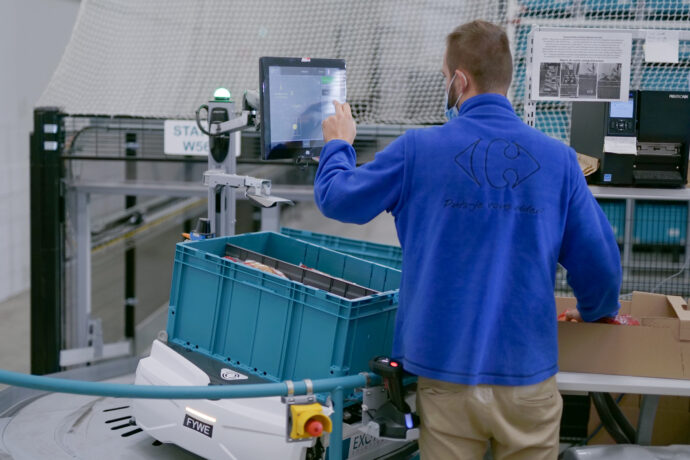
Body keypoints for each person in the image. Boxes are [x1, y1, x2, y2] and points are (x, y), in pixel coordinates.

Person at [314, 20, 622, 460]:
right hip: (527, 376)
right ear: (506, 77)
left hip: (445, 374)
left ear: (459, 80)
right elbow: (600, 265)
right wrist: (596, 311)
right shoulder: (559, 161)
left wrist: (338, 145)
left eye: (445, 77)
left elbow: (337, 199)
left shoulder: (417, 150)